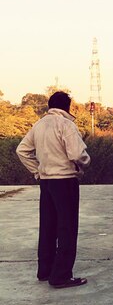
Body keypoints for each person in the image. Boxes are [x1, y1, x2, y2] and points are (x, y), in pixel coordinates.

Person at [16, 91, 91, 289]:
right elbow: (76, 153)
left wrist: (37, 171)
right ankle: (61, 276)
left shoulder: (39, 125)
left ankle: (45, 271)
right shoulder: (66, 124)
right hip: (65, 180)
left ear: (50, 105)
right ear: (67, 106)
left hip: (46, 182)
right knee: (67, 227)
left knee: (48, 226)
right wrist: (83, 164)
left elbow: (22, 150)